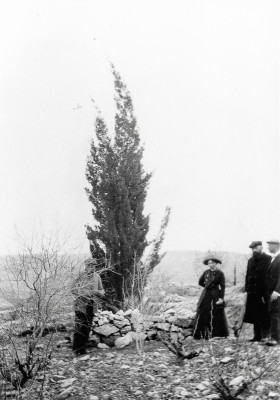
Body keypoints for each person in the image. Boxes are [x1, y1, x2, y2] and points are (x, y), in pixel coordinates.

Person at [72, 258, 105, 355]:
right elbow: (73, 289)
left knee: (87, 328)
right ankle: (76, 349)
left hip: (92, 305)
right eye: (89, 265)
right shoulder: (80, 276)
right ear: (85, 266)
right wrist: (87, 292)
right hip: (81, 305)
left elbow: (102, 291)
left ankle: (82, 349)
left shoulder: (97, 277)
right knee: (79, 327)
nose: (91, 267)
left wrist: (99, 293)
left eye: (93, 265)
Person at [194, 254, 228, 339]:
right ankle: (202, 335)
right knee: (203, 312)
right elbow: (200, 282)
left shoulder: (220, 273)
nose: (211, 265)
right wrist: (207, 286)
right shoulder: (206, 272)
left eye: (212, 263)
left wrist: (221, 298)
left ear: (216, 263)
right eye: (209, 263)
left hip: (215, 295)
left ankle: (216, 335)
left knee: (215, 313)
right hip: (206, 295)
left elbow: (223, 286)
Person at [243, 241, 272, 342]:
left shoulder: (268, 259)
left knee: (264, 314)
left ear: (261, 247)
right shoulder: (250, 260)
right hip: (252, 292)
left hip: (262, 292)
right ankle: (257, 336)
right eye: (253, 248)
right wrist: (247, 289)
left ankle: (266, 336)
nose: (255, 249)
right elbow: (248, 275)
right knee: (254, 314)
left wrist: (266, 293)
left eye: (256, 247)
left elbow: (268, 277)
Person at [264, 239, 280, 346]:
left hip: (276, 292)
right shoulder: (273, 259)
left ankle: (276, 338)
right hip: (271, 292)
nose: (268, 247)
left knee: (275, 313)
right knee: (273, 313)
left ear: (276, 245)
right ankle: (272, 336)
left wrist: (277, 291)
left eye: (269, 245)